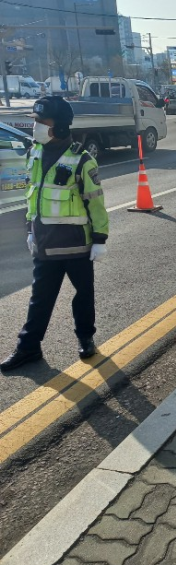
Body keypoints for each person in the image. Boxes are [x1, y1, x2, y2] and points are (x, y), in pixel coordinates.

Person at [1, 97, 109, 373]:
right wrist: (29, 229)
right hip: (45, 244)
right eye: (35, 121)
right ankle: (28, 347)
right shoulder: (34, 153)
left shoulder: (81, 160)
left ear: (59, 128)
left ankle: (86, 338)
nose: (35, 127)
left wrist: (99, 239)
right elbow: (32, 196)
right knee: (40, 298)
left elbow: (95, 202)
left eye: (41, 122)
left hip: (76, 245)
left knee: (83, 295)